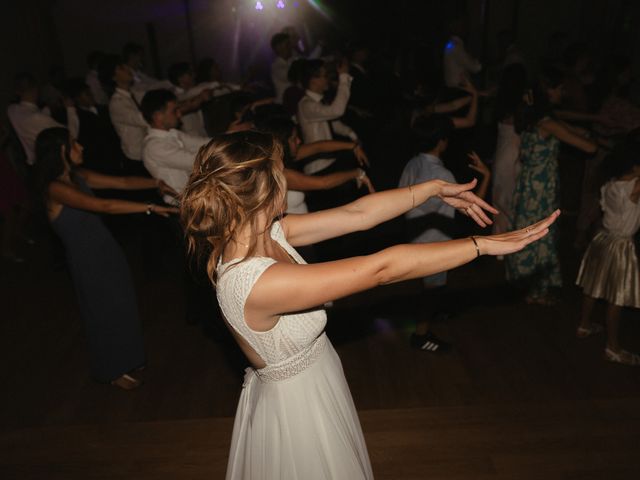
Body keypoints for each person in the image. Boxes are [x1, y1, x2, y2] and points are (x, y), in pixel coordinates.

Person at [180, 130, 559, 479]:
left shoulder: (264, 231)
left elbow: (356, 215)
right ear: (265, 187)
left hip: (316, 378)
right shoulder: (254, 281)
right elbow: (380, 269)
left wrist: (432, 190)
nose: (288, 176)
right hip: (298, 408)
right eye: (283, 171)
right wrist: (481, 245)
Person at [34, 127, 177, 389]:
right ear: (61, 151)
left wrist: (153, 183)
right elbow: (104, 206)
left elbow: (120, 183)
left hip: (105, 249)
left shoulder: (78, 176)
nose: (81, 147)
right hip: (86, 258)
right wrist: (150, 207)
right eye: (74, 144)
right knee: (102, 311)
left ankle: (129, 358)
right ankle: (111, 370)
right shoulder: (55, 188)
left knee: (123, 303)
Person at [506, 68, 598, 305]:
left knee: (530, 234)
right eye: (558, 88)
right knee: (540, 236)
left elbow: (560, 125)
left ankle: (528, 285)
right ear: (548, 92)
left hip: (528, 185)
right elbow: (589, 148)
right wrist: (585, 136)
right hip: (541, 188)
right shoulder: (547, 123)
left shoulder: (528, 117)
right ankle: (537, 292)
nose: (562, 92)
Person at [399, 115, 490, 353]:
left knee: (430, 286)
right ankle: (421, 335)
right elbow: (472, 210)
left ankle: (432, 313)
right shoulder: (443, 176)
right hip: (434, 244)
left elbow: (399, 196)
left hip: (416, 236)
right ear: (441, 142)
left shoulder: (413, 163)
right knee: (432, 291)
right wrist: (486, 176)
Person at [576, 135, 640, 365]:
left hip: (602, 239)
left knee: (593, 286)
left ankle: (584, 325)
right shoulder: (634, 186)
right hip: (620, 246)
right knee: (616, 297)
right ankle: (613, 347)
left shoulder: (610, 183)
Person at [255, 115, 372, 215]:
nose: (299, 141)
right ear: (282, 143)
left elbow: (319, 147)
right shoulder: (278, 173)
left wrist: (353, 146)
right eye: (293, 139)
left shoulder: (282, 158)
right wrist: (357, 173)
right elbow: (323, 183)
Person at [141, 89, 209, 204]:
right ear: (158, 117)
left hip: (194, 197)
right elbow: (194, 161)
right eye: (174, 111)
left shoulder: (172, 133)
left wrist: (229, 135)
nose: (179, 114)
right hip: (179, 205)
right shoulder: (154, 146)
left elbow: (201, 142)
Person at [297, 58, 358, 175]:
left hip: (328, 161)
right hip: (318, 167)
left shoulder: (317, 102)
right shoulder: (306, 105)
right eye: (325, 76)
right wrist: (344, 76)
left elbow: (333, 123)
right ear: (313, 80)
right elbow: (337, 111)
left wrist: (351, 134)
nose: (328, 79)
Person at [7, 72, 75, 166]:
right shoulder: (38, 118)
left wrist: (48, 108)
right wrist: (70, 109)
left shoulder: (11, 110)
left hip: (29, 163)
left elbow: (29, 113)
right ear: (36, 90)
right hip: (48, 163)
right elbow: (71, 135)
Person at [492, 63, 527, 235]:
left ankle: (500, 241)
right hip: (512, 154)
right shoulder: (522, 104)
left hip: (502, 154)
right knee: (511, 201)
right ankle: (510, 240)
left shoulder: (501, 100)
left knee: (500, 200)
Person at [99, 55, 150, 175]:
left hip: (147, 152)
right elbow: (142, 119)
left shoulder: (134, 94)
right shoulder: (117, 103)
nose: (128, 69)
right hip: (136, 158)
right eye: (121, 68)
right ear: (113, 77)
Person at [443, 17, 482, 88]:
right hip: (458, 89)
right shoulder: (456, 46)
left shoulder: (452, 44)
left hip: (454, 87)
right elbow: (475, 67)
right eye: (463, 26)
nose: (467, 29)